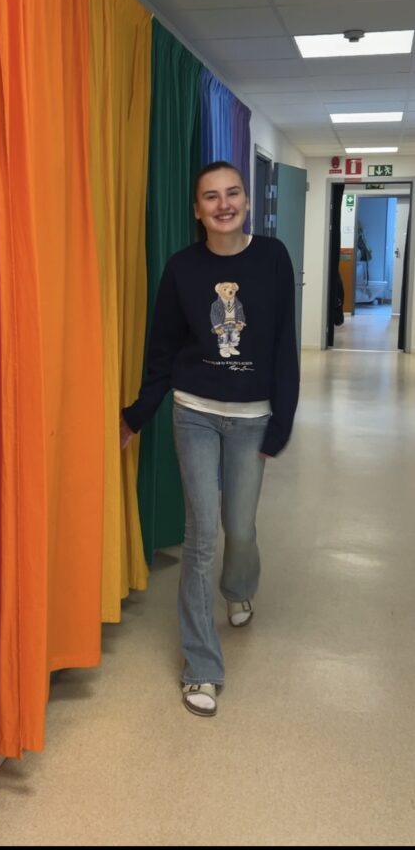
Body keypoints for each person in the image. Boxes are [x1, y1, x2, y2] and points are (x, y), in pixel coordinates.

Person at [120, 161, 299, 718]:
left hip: (253, 417)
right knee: (201, 536)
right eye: (211, 197)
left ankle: (239, 588)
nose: (224, 204)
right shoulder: (182, 268)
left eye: (233, 193)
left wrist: (282, 422)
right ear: (197, 210)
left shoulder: (272, 258)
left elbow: (283, 345)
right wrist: (137, 415)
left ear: (246, 200)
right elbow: (162, 349)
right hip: (194, 412)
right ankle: (201, 666)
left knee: (238, 527)